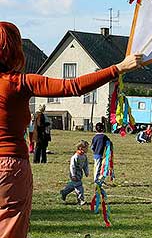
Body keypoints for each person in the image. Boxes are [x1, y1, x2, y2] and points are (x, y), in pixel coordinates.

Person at [0, 22, 142, 238]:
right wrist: (118, 68)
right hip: (11, 167)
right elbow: (72, 86)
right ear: (14, 50)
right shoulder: (20, 83)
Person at [60, 140, 90, 205]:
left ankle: (64, 192)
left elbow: (85, 165)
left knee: (73, 185)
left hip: (79, 173)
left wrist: (86, 172)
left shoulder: (84, 156)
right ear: (81, 148)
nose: (87, 149)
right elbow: (72, 166)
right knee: (79, 186)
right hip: (74, 173)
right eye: (86, 148)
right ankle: (81, 200)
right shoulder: (75, 157)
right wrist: (73, 175)